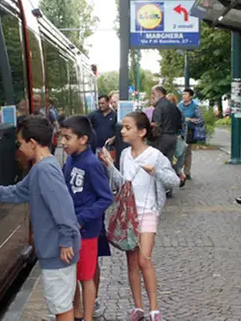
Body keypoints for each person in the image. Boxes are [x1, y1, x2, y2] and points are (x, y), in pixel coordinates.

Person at [0, 115, 81, 321]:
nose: (18, 147)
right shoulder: (41, 167)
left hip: (58, 252)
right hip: (55, 250)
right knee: (60, 305)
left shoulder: (45, 170)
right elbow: (15, 192)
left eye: (20, 142)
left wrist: (64, 241)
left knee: (62, 309)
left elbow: (64, 209)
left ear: (33, 143)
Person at [99, 112, 181, 321]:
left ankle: (155, 310)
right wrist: (109, 164)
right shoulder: (125, 154)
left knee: (144, 260)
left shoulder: (155, 155)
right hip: (129, 214)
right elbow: (122, 183)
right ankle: (138, 308)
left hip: (148, 212)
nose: (123, 131)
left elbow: (174, 181)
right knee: (132, 262)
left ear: (142, 131)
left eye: (127, 127)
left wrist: (155, 172)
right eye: (123, 127)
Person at [59, 116, 114, 321]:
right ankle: (77, 313)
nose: (63, 142)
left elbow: (106, 198)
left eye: (67, 137)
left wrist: (82, 218)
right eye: (61, 137)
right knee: (72, 275)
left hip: (87, 231)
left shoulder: (91, 163)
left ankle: (88, 316)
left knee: (86, 276)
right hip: (71, 229)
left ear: (83, 139)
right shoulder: (71, 159)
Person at [149, 85, 183, 165]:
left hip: (162, 138)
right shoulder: (174, 107)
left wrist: (147, 124)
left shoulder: (159, 107)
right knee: (168, 163)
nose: (152, 96)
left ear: (159, 93)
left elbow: (157, 124)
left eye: (153, 93)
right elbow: (180, 124)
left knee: (157, 162)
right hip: (173, 137)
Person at [177, 88, 202, 180]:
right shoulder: (179, 106)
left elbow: (200, 120)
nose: (183, 96)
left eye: (186, 94)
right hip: (180, 131)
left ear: (191, 96)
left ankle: (187, 172)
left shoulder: (195, 107)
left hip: (190, 131)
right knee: (179, 151)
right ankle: (178, 170)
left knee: (187, 151)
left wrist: (191, 120)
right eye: (183, 94)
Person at [88, 95, 117, 162]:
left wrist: (113, 138)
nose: (100, 105)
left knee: (108, 168)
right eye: (99, 103)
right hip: (96, 148)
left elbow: (118, 131)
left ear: (108, 102)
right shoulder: (93, 114)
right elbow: (85, 124)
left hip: (110, 149)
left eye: (102, 103)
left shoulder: (114, 115)